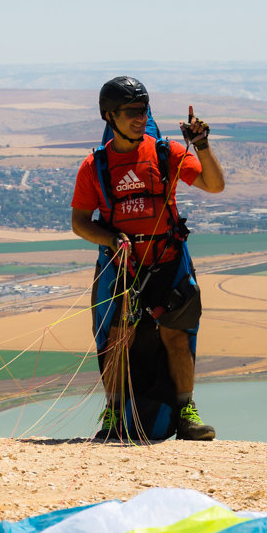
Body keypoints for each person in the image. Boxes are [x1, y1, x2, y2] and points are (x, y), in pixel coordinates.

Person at [70, 76, 225, 441]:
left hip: (168, 262)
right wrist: (110, 238)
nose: (141, 118)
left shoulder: (166, 153)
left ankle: (186, 412)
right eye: (132, 112)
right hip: (122, 266)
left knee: (177, 337)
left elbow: (214, 185)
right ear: (109, 116)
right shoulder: (94, 167)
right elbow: (79, 222)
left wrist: (201, 145)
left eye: (144, 111)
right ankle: (113, 413)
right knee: (116, 337)